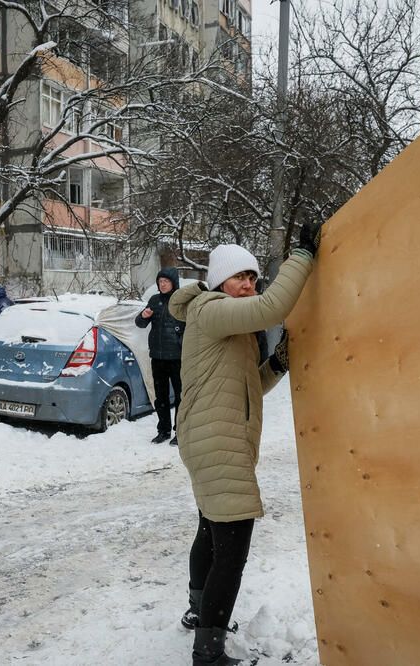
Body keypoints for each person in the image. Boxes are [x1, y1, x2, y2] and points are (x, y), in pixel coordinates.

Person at [168, 221, 323, 666]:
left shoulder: (226, 327)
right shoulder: (210, 310)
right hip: (218, 443)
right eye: (242, 277)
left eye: (253, 276)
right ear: (220, 282)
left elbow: (246, 386)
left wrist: (275, 364)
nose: (250, 284)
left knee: (211, 534)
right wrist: (304, 256)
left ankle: (199, 612)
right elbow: (274, 307)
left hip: (210, 439)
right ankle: (209, 653)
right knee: (232, 549)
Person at [135, 268, 184, 446]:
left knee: (181, 397)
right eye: (160, 281)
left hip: (177, 358)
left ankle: (181, 431)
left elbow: (190, 325)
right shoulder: (154, 300)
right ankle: (163, 430)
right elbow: (140, 324)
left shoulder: (181, 301)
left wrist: (181, 337)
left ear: (173, 283)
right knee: (160, 397)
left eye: (166, 281)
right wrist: (143, 315)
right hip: (158, 357)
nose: (162, 284)